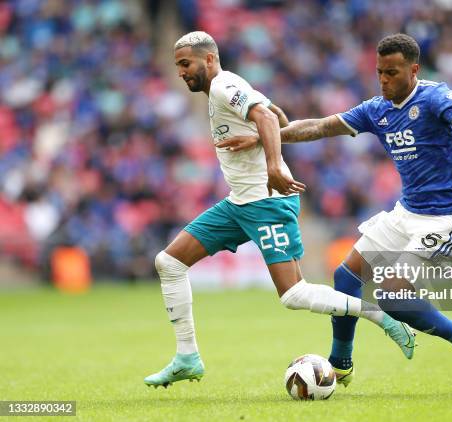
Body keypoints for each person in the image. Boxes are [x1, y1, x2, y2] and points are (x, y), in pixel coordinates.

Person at [217, 33, 452, 391]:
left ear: (414, 69)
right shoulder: (376, 109)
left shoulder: (434, 96)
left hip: (447, 218)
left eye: (392, 73)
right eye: (379, 72)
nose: (383, 80)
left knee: (392, 295)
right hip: (406, 213)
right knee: (346, 276)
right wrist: (261, 138)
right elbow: (317, 126)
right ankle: (341, 363)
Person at [143, 31, 415, 389]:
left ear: (209, 59)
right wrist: (266, 142)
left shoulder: (225, 85)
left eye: (185, 63)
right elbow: (276, 115)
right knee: (170, 262)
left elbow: (268, 121)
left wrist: (274, 165)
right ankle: (187, 357)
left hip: (266, 203)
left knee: (293, 294)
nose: (180, 72)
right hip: (239, 202)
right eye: (177, 65)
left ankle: (384, 316)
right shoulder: (221, 92)